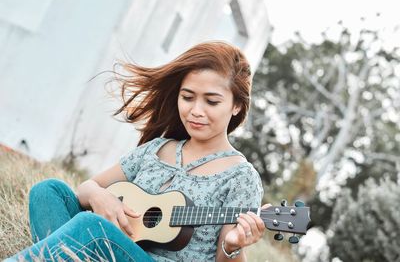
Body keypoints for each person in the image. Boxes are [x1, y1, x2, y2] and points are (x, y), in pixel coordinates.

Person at [6, 41, 268, 262]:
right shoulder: (157, 148)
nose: (196, 110)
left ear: (236, 106)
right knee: (48, 191)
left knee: (92, 228)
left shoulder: (240, 176)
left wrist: (233, 246)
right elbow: (86, 188)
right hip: (112, 250)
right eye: (187, 97)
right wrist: (99, 196)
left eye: (211, 101)